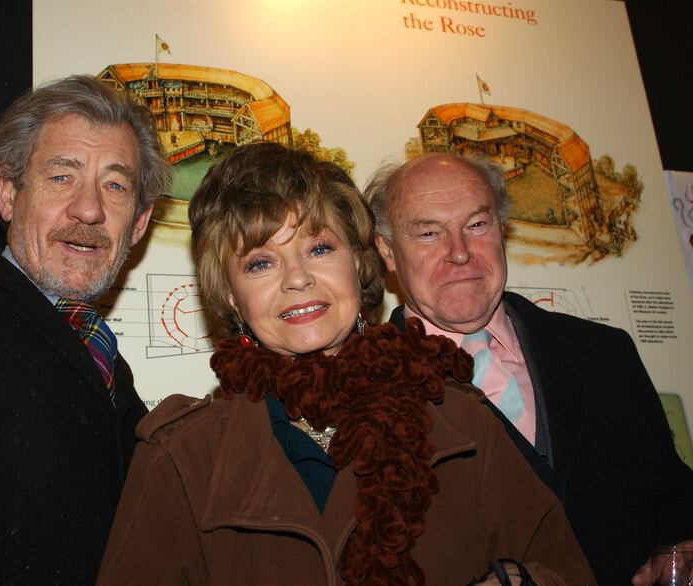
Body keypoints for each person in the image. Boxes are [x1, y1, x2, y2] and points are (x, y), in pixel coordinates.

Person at [97, 142, 594, 585]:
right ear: (229, 295)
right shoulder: (182, 455)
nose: (297, 279)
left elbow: (563, 568)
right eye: (260, 263)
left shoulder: (462, 418)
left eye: (319, 248)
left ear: (357, 261)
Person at [365, 151, 693, 586]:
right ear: (387, 251)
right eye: (428, 233)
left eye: (477, 225)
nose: (460, 253)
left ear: (503, 229)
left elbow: (670, 496)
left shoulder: (604, 354)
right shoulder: (362, 388)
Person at [0, 75, 171, 583]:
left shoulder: (114, 375)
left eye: (115, 185)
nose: (88, 209)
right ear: (7, 193)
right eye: (61, 176)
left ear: (139, 222)